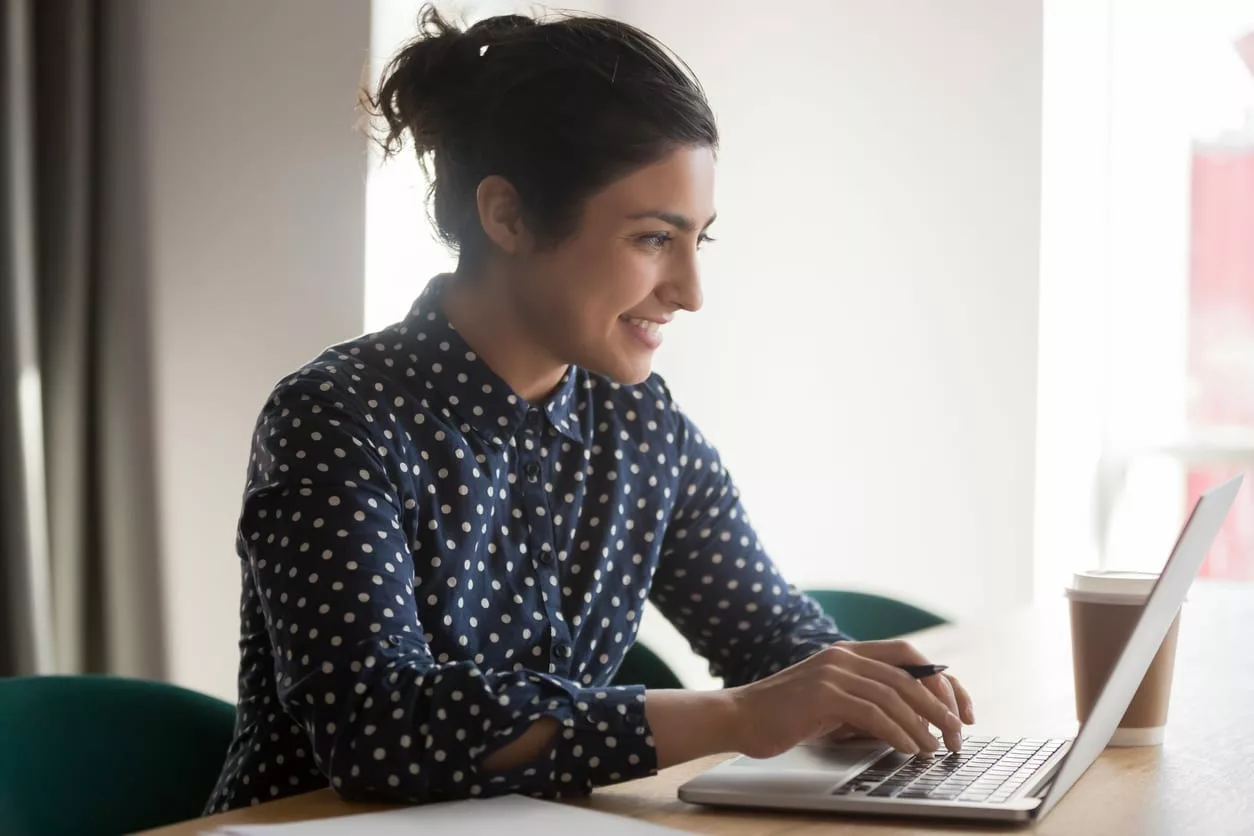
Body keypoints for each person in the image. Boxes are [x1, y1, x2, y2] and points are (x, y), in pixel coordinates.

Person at [205, 5, 974, 813]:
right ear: (507, 215)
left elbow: (767, 635)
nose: (689, 293)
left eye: (697, 241)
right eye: (652, 239)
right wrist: (741, 716)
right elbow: (380, 726)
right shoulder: (337, 416)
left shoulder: (640, 426)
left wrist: (866, 685)